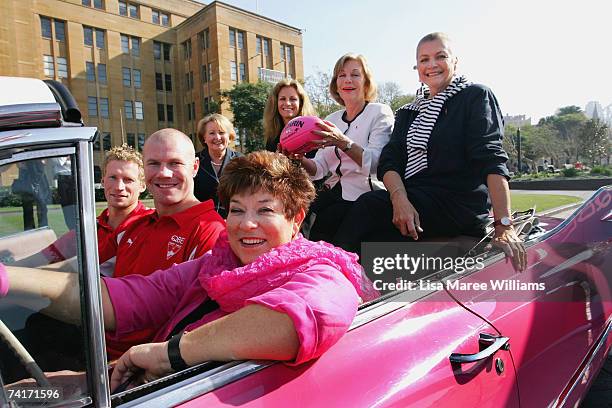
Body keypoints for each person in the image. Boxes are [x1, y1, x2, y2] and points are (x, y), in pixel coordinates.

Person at [0, 151, 378, 389]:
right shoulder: (215, 265)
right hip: (127, 382)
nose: (246, 224)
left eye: (265, 210)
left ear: (296, 220)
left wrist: (168, 354)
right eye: (236, 209)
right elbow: (129, 297)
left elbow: (296, 320)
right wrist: (9, 279)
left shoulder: (323, 269)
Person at [333, 33, 526, 270]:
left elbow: (491, 158)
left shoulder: (474, 96)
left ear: (455, 61)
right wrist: (400, 199)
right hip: (415, 197)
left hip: (457, 201)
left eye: (440, 56)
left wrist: (504, 225)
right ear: (417, 68)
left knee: (368, 205)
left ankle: (328, 275)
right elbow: (390, 162)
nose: (431, 65)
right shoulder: (408, 111)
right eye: (424, 60)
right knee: (370, 238)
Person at [296, 53, 394, 242]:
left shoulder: (379, 112)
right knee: (305, 233)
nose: (348, 80)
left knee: (338, 245)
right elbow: (319, 169)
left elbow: (376, 165)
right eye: (342, 75)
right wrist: (299, 158)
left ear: (366, 82)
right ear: (336, 84)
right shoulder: (331, 119)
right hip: (332, 196)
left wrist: (343, 142)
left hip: (366, 199)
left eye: (355, 74)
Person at [14, 145, 153, 276]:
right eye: (113, 177)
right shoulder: (92, 226)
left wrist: (15, 276)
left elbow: (74, 270)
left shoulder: (148, 224)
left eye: (128, 180)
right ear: (103, 181)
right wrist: (10, 269)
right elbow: (42, 257)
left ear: (142, 186)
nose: (119, 186)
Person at [193, 114, 242, 218]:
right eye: (212, 133)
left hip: (233, 220)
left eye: (221, 132)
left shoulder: (241, 161)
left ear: (229, 136)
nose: (217, 137)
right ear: (204, 138)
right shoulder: (193, 161)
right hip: (201, 220)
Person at [263, 78, 317, 153]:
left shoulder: (314, 131)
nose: (287, 103)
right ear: (275, 103)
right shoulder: (272, 138)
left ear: (301, 103)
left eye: (293, 99)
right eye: (282, 99)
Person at [12, 160, 50, 230]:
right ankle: (30, 231)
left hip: (36, 169)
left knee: (41, 207)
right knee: (29, 208)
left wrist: (43, 161)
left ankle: (43, 230)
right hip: (27, 170)